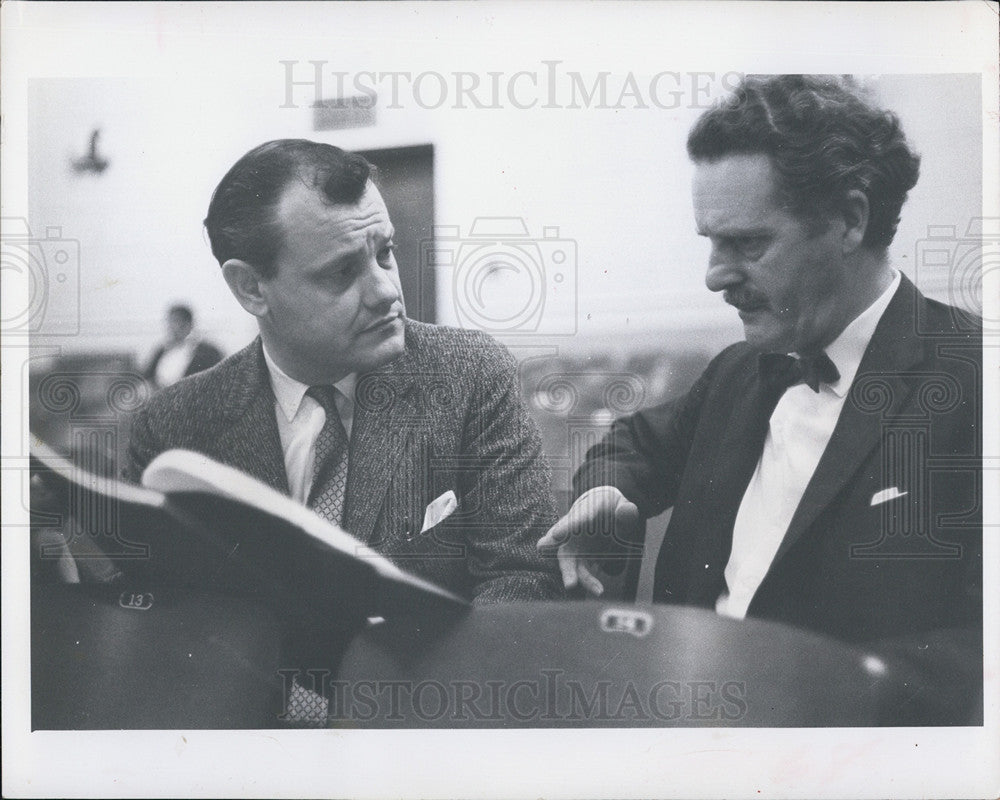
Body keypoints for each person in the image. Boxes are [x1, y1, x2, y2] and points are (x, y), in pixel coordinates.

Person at [538, 75, 981, 723]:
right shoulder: (740, 373)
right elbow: (632, 444)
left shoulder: (975, 383)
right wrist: (610, 491)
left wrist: (785, 692)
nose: (715, 276)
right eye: (711, 243)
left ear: (850, 221)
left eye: (747, 243)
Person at [124, 139, 561, 605]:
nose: (386, 291)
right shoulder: (173, 425)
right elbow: (152, 609)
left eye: (385, 253)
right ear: (251, 288)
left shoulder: (469, 377)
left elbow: (523, 578)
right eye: (342, 272)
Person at [143, 303, 223, 388]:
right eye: (169, 322)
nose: (171, 327)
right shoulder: (161, 350)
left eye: (176, 321)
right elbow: (147, 377)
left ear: (188, 324)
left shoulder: (208, 351)